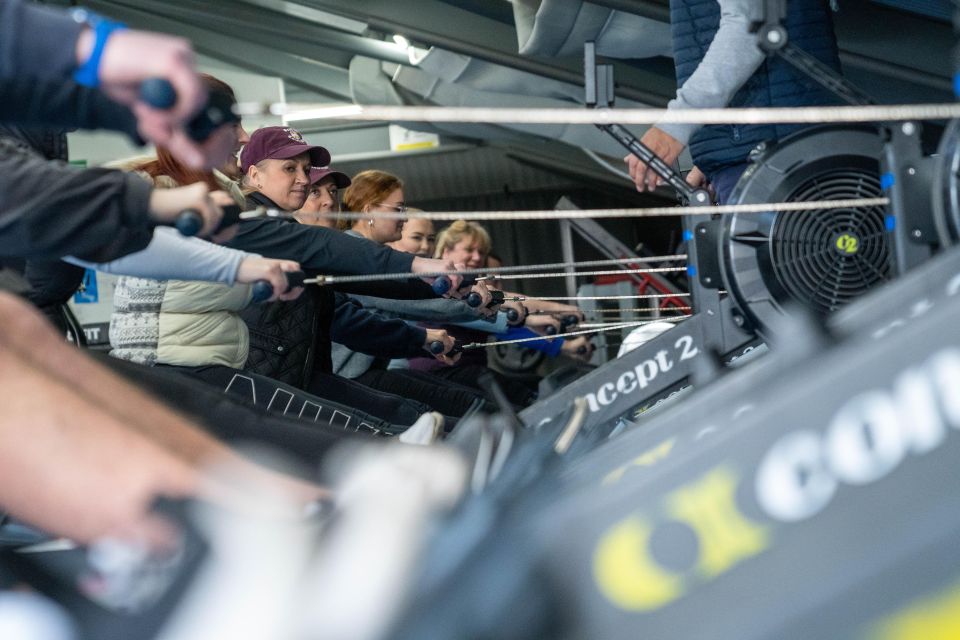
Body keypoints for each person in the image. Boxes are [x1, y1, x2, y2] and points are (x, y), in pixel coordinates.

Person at [624, 0, 842, 204]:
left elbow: (751, 24)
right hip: (763, 148)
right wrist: (713, 149)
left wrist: (673, 128)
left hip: (778, 151)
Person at [336, 169, 406, 243]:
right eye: (398, 209)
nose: (405, 218)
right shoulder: (355, 250)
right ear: (369, 211)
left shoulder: (351, 246)